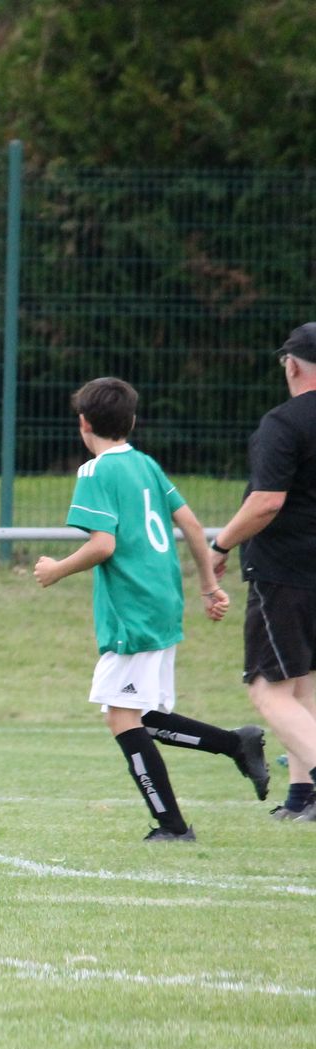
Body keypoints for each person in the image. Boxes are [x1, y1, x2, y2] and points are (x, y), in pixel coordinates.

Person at [35, 376, 266, 842]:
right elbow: (192, 525)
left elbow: (103, 545)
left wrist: (56, 569)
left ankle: (173, 826)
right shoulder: (145, 464)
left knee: (122, 717)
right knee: (141, 716)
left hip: (132, 609)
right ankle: (234, 743)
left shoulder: (95, 472)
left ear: (83, 423)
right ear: (132, 421)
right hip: (162, 602)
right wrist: (207, 586)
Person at [210, 322, 316, 820]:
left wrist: (221, 543)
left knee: (268, 691)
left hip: (286, 572)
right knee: (304, 686)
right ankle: (302, 797)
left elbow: (267, 501)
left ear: (291, 365)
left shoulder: (284, 423)